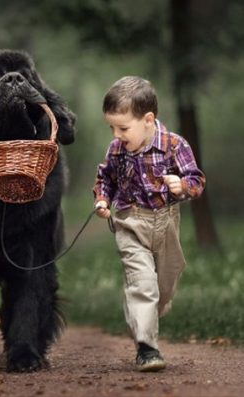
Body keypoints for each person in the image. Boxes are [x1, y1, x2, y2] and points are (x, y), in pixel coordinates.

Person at [93, 76, 205, 372]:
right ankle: (147, 348)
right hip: (131, 223)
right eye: (112, 128)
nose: (116, 135)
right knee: (143, 284)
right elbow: (106, 178)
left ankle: (146, 313)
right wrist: (102, 200)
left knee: (164, 287)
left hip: (166, 223)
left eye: (123, 128)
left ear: (148, 119)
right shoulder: (117, 150)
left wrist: (182, 185)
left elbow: (197, 180)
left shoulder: (173, 144)